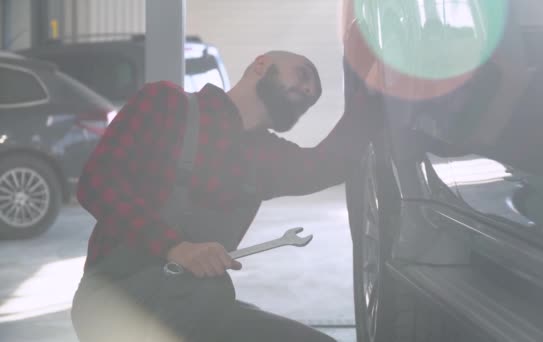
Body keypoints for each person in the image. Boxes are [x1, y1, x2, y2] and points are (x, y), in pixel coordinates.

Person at [71, 50, 379, 342]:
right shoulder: (166, 104)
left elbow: (330, 164)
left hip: (195, 309)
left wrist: (377, 85)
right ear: (260, 65)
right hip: (117, 305)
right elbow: (98, 182)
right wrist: (174, 246)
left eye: (313, 95)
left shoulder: (266, 157)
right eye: (302, 75)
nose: (309, 90)